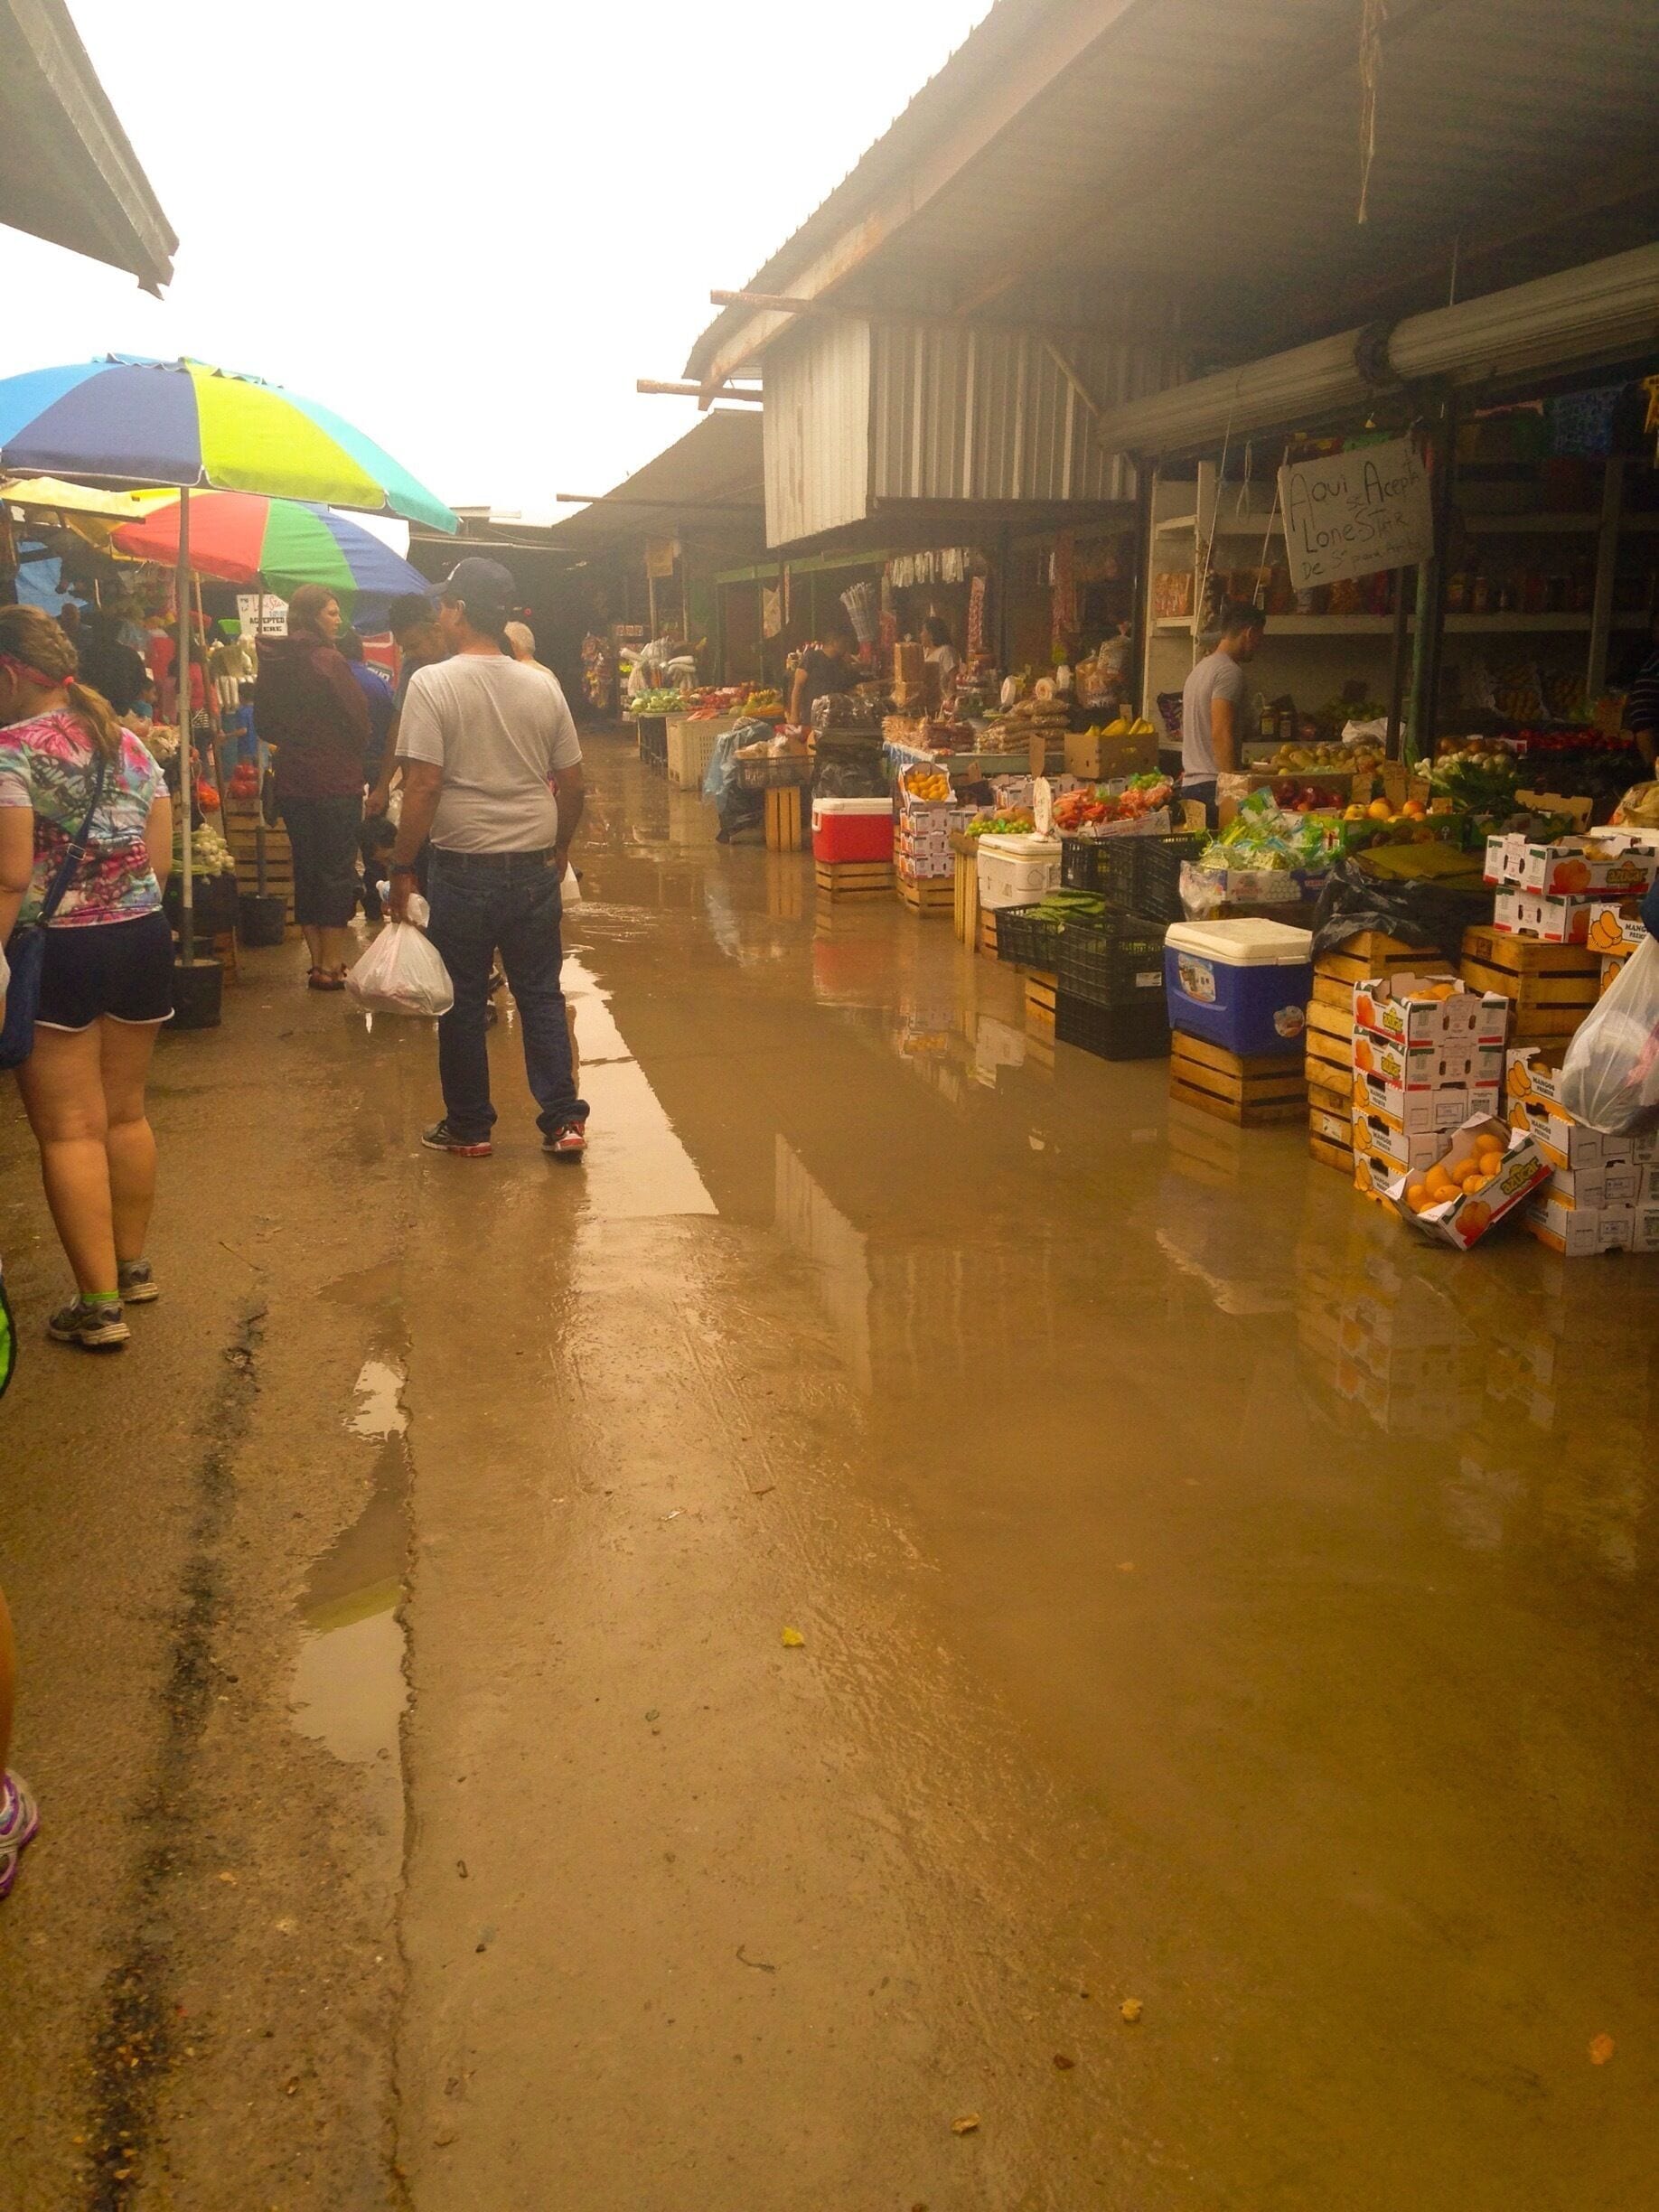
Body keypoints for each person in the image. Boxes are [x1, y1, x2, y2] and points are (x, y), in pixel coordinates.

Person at [0, 604, 173, 1349]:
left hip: (58, 949)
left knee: (70, 1130)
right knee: (126, 1114)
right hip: (140, 937)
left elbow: (10, 875)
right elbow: (158, 857)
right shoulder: (129, 743)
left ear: (9, 674)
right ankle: (132, 1269)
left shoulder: (10, 750)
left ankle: (97, 1306)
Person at [387, 557, 588, 1160]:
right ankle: (562, 1122)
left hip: (464, 867)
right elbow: (574, 784)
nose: (440, 615)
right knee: (541, 994)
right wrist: (559, 850)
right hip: (531, 863)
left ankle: (471, 1128)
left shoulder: (433, 683)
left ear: (460, 612)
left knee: (464, 1000)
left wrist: (401, 868)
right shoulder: (541, 684)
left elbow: (422, 786)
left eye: (446, 604)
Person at [255, 586, 370, 989]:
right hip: (336, 781)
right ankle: (331, 963)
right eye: (332, 613)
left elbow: (264, 725)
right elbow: (360, 724)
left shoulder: (273, 660)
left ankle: (318, 961)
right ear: (314, 617)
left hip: (293, 781)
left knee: (306, 867)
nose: (338, 620)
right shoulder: (329, 660)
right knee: (336, 869)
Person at [1180, 601, 1264, 827]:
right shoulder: (1229, 672)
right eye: (1259, 637)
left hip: (1191, 786)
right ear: (1249, 633)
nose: (1259, 645)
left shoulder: (1200, 669)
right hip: (1213, 787)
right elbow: (1221, 731)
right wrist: (1233, 790)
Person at [365, 593, 446, 820]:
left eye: (415, 645)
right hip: (423, 787)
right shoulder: (413, 665)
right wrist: (383, 787)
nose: (410, 654)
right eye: (404, 648)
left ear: (436, 631)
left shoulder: (462, 662)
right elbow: (399, 723)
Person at [789, 615, 860, 729]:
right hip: (811, 718)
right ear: (834, 642)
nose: (846, 646)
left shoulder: (841, 663)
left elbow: (849, 688)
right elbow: (798, 686)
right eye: (844, 642)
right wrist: (794, 715)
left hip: (836, 719)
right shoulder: (812, 658)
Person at [922, 614, 960, 689]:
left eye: (923, 631)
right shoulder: (925, 651)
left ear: (931, 634)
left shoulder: (946, 651)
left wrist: (949, 697)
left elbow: (953, 678)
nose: (921, 635)